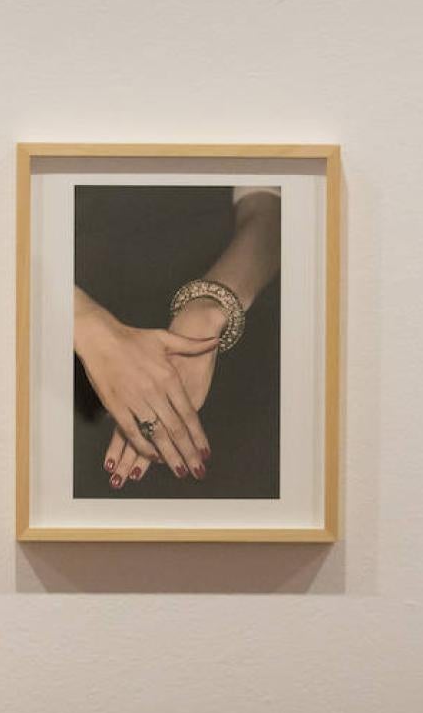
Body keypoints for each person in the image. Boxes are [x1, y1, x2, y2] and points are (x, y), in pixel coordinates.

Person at [71, 185, 281, 497]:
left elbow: (271, 207)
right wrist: (81, 317)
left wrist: (207, 309)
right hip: (70, 366)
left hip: (225, 353)